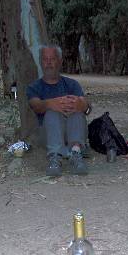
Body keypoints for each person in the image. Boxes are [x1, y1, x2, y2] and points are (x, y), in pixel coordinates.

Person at [27, 45, 92, 176]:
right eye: (45, 59)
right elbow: (36, 105)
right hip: (49, 136)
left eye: (53, 59)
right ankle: (55, 158)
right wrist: (51, 104)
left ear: (60, 61)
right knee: (52, 113)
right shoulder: (34, 87)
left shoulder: (72, 84)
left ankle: (76, 154)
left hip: (73, 132)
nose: (49, 63)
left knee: (77, 112)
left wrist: (83, 105)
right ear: (41, 62)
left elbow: (87, 108)